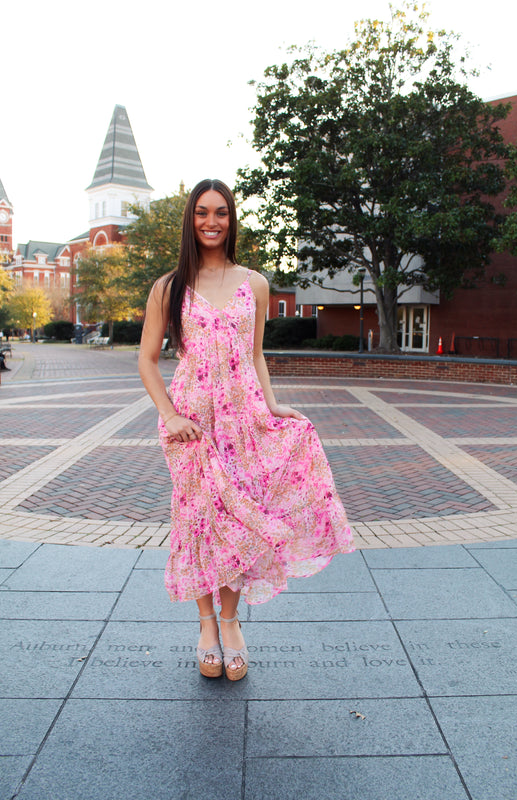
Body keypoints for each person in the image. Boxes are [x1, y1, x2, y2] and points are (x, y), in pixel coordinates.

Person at [138, 178, 355, 682]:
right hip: (190, 422)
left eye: (221, 213)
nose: (211, 221)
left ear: (232, 220)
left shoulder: (253, 283)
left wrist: (273, 406)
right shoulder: (167, 287)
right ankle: (205, 625)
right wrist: (170, 415)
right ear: (189, 220)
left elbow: (255, 354)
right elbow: (148, 361)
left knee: (237, 523)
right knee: (197, 520)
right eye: (201, 213)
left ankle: (231, 623)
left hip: (243, 420)